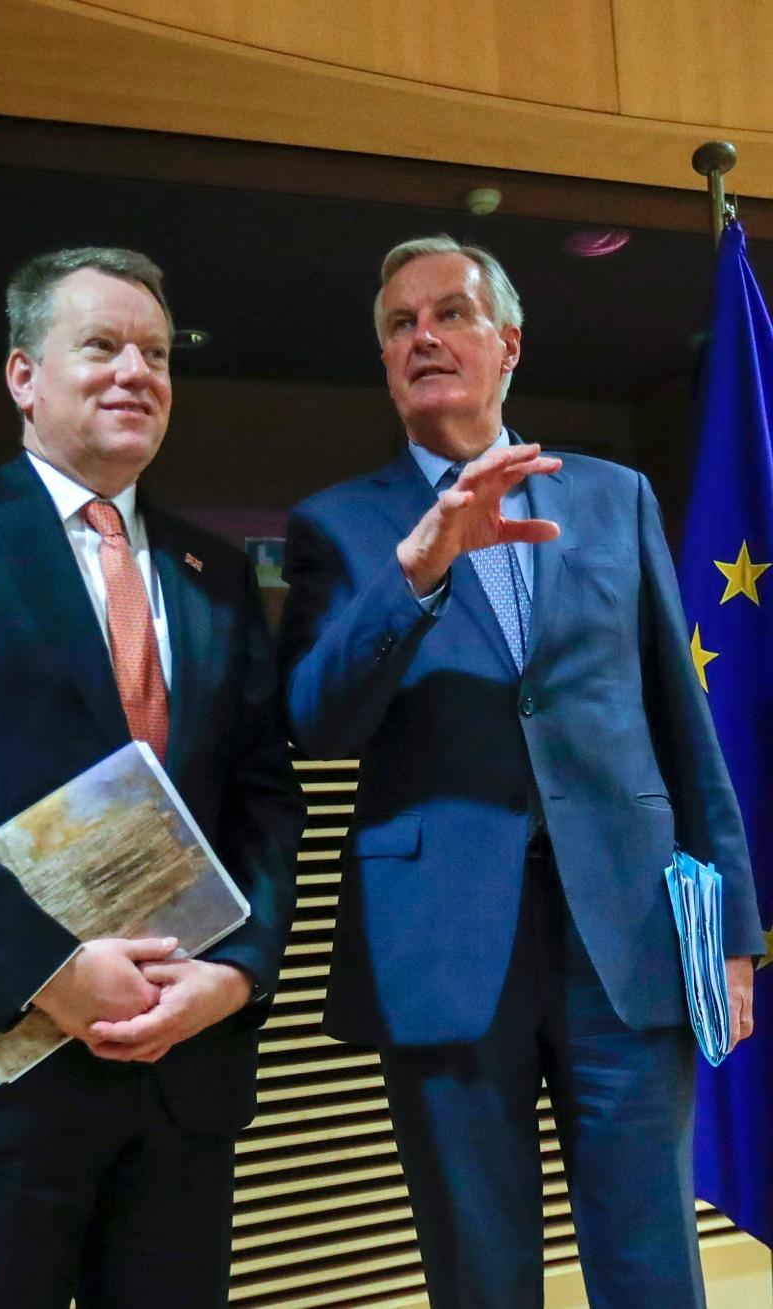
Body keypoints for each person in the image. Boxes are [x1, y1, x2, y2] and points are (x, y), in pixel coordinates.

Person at [277, 234, 764, 1308]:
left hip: (626, 932)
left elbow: (683, 723)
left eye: (450, 313)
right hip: (440, 940)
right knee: (480, 1266)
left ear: (508, 345)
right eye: (400, 325)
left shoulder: (612, 495)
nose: (425, 338)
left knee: (650, 1257)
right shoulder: (340, 525)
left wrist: (732, 931)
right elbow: (315, 719)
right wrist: (420, 567)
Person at [0, 246, 303, 1309]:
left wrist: (238, 975)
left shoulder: (215, 573)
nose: (137, 370)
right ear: (23, 375)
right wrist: (50, 968)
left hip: (184, 1067)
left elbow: (266, 801)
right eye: (102, 345)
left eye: (158, 353)